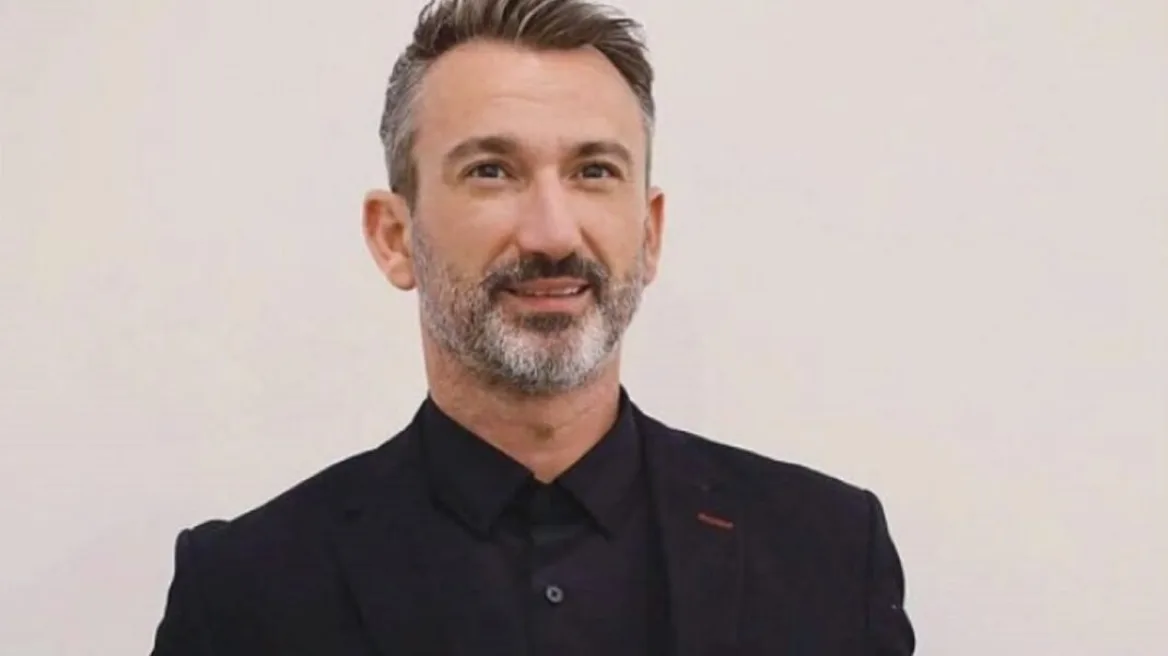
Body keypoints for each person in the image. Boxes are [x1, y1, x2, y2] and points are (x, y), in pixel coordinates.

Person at [149, 0, 916, 653]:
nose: (552, 232)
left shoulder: (830, 552)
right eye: (491, 170)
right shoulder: (245, 591)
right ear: (393, 237)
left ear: (649, 233)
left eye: (593, 171)